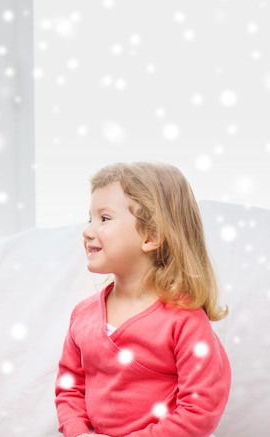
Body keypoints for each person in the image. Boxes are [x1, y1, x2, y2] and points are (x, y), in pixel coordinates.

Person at [55, 162, 231, 437]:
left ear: (151, 235)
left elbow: (200, 409)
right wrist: (79, 433)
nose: (88, 230)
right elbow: (70, 388)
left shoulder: (184, 320)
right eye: (90, 218)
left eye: (104, 218)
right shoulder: (82, 315)